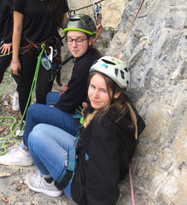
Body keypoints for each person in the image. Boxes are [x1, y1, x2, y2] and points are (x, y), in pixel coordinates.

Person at [25, 56, 146, 203]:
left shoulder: (104, 130)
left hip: (81, 186)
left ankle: (49, 183)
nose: (94, 95)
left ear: (116, 93)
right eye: (93, 87)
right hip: (84, 158)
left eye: (102, 90)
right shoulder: (121, 107)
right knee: (39, 130)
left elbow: (104, 176)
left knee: (35, 138)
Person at [0, 14, 101, 165]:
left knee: (34, 111)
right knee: (49, 97)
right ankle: (39, 134)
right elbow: (75, 92)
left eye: (79, 40)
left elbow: (68, 103)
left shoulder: (83, 66)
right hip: (84, 110)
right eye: (70, 40)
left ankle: (25, 152)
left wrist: (53, 110)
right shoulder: (90, 56)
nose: (74, 45)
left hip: (82, 122)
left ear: (91, 40)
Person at [10, 0, 69, 120]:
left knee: (43, 89)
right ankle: (25, 120)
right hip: (27, 48)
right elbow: (17, 29)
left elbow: (64, 24)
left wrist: (81, 35)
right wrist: (14, 59)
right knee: (25, 87)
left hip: (48, 49)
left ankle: (40, 121)